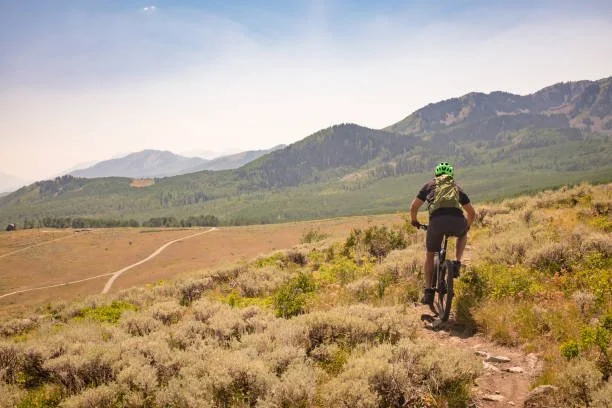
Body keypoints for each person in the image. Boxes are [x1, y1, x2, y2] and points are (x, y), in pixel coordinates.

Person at [409, 162, 475, 305]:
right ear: (451, 176)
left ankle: (428, 292)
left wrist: (414, 221)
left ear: (436, 175)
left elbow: (414, 207)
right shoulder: (457, 188)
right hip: (457, 220)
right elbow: (472, 213)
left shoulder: (429, 186)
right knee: (463, 234)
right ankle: (457, 263)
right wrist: (466, 227)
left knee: (430, 254)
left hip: (436, 222)